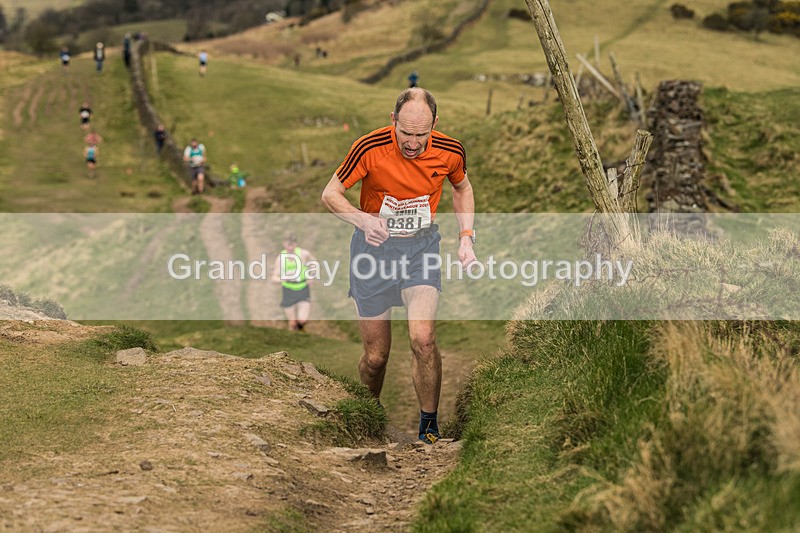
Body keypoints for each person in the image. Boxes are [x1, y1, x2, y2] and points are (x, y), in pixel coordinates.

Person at [321, 87, 476, 445]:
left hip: (421, 249)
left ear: (434, 124)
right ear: (393, 121)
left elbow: (462, 187)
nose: (413, 142)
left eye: (422, 134)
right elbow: (330, 193)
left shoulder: (450, 150)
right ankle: (368, 414)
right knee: (376, 358)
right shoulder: (369, 147)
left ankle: (429, 428)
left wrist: (465, 237)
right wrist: (363, 220)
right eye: (406, 132)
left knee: (423, 339)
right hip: (372, 253)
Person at [271, 234, 314, 331]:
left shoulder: (303, 253)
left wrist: (311, 275)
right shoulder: (280, 258)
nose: (290, 247)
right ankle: (295, 340)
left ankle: (301, 332)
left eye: (292, 244)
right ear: (284, 244)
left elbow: (314, 261)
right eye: (288, 245)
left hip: (303, 288)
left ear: (296, 244)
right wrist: (285, 278)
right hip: (288, 290)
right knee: (293, 323)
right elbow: (274, 277)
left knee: (302, 320)